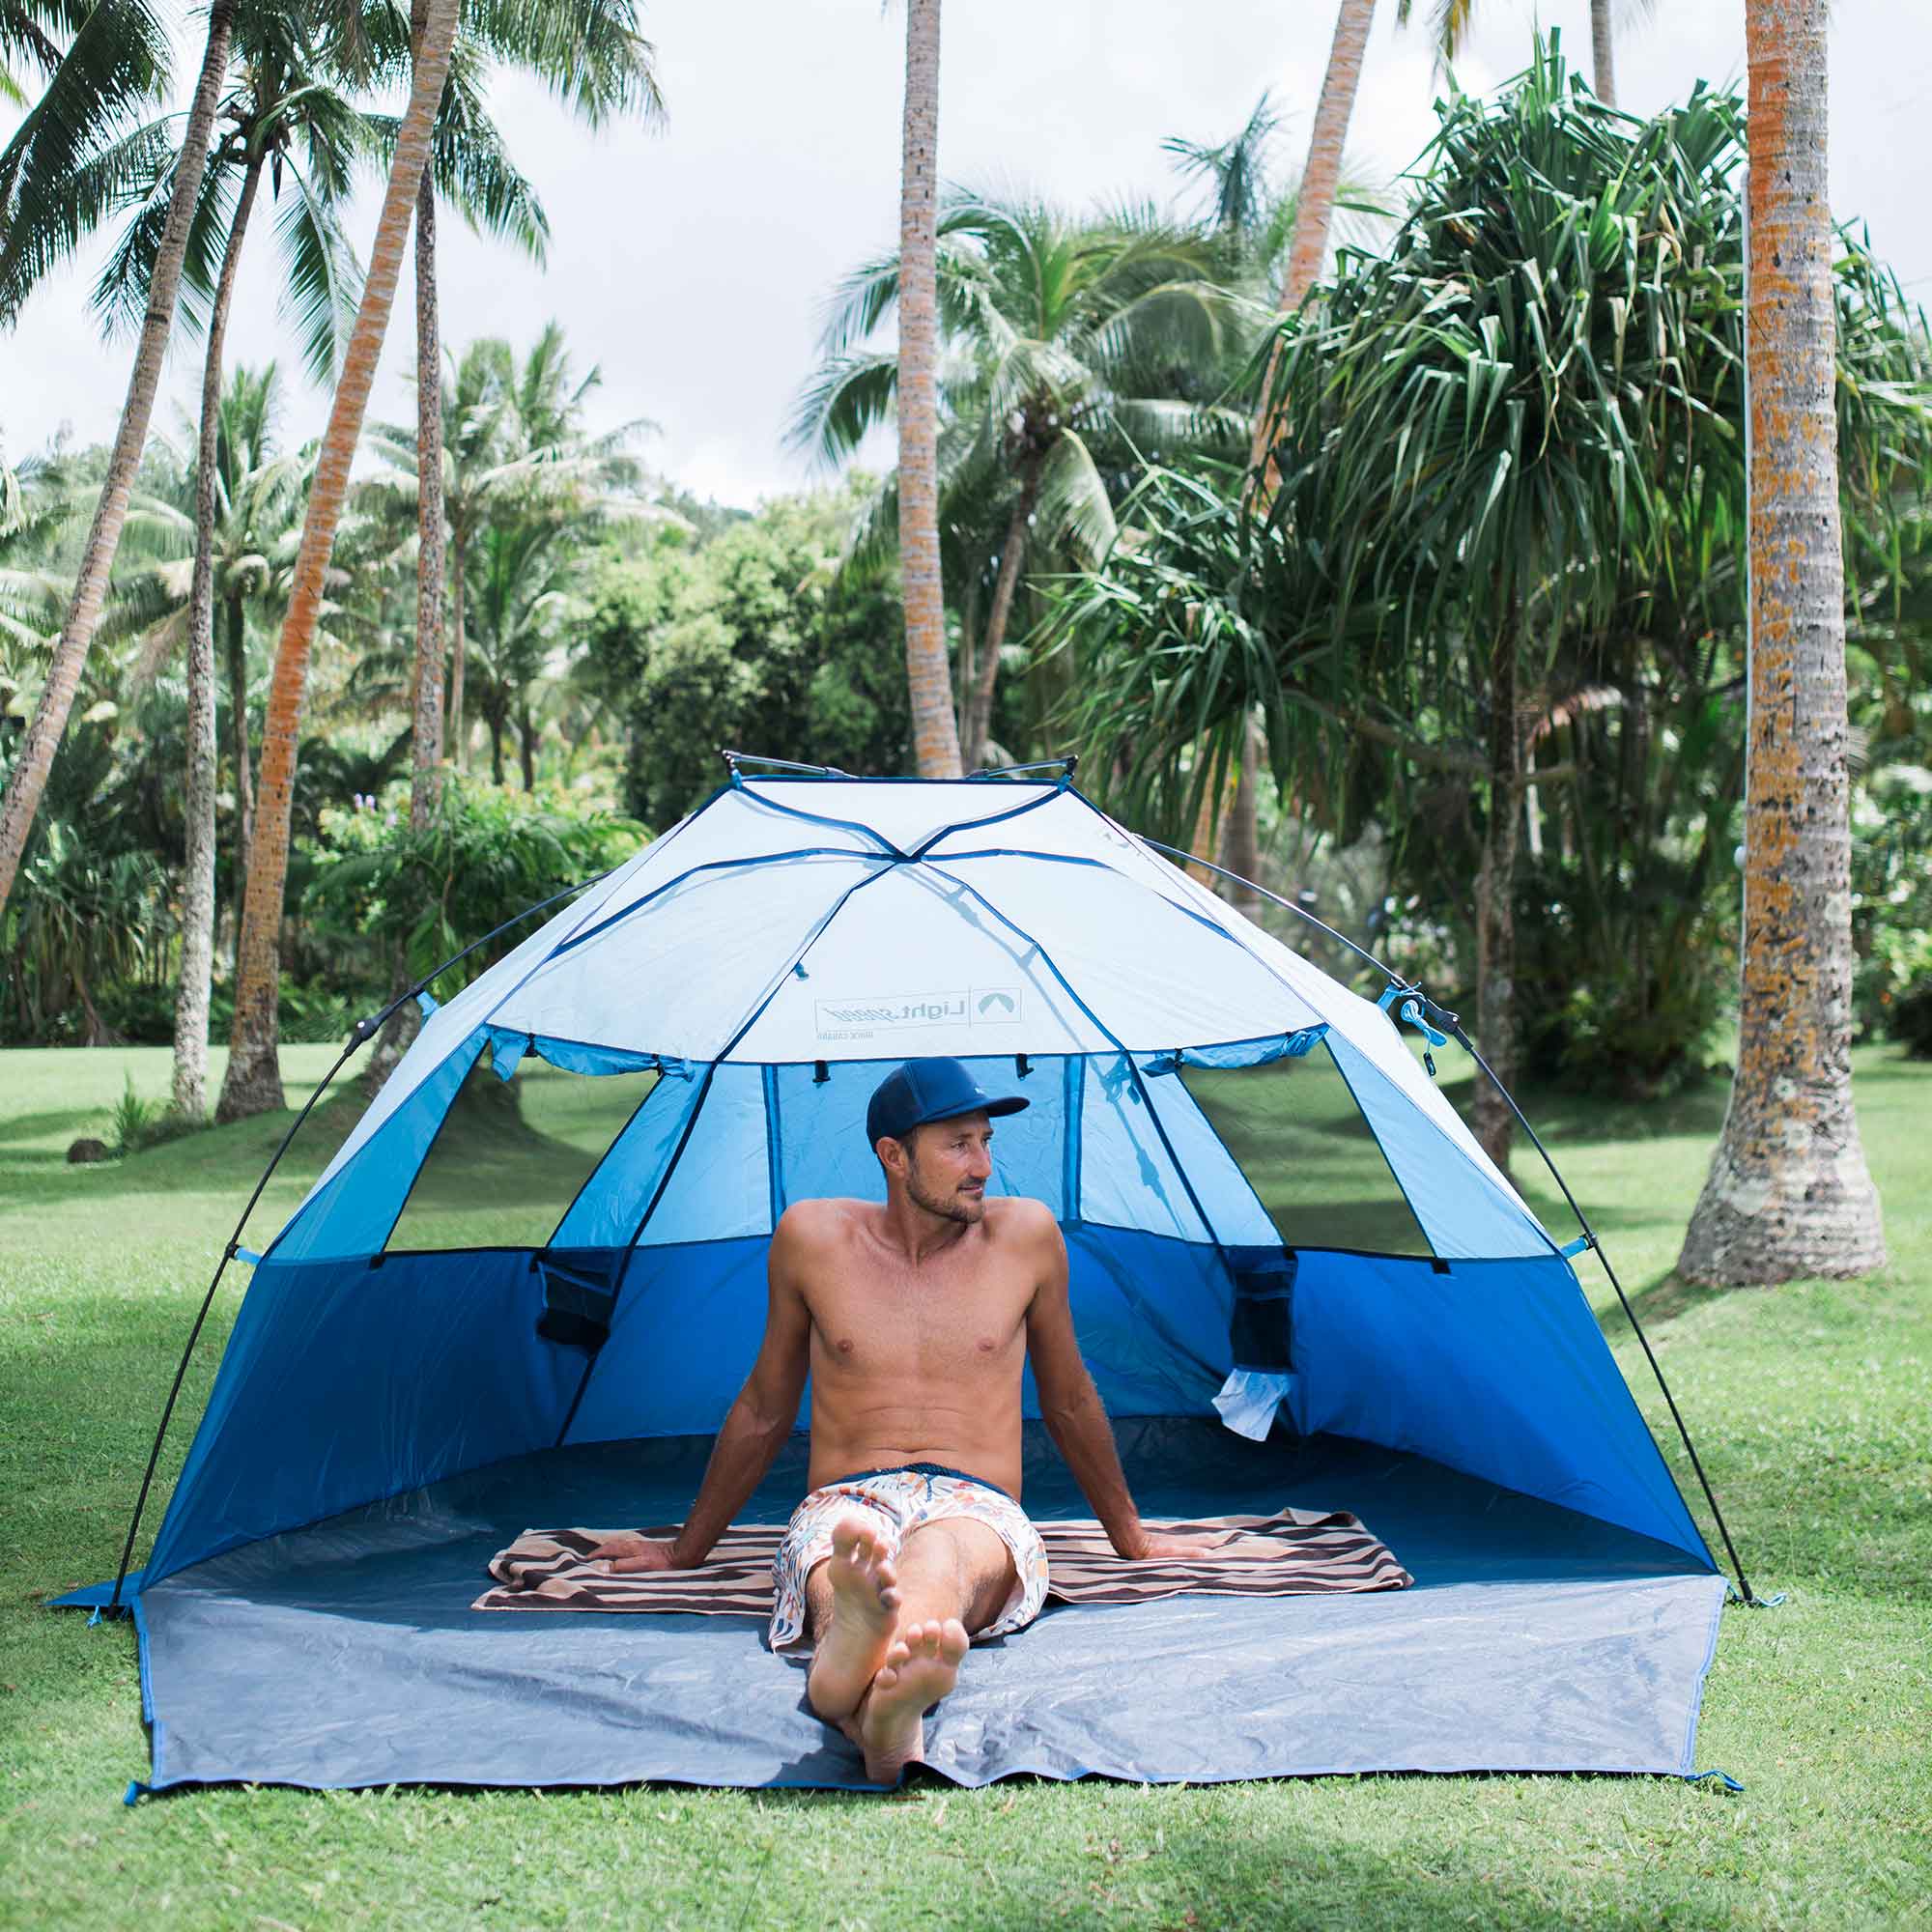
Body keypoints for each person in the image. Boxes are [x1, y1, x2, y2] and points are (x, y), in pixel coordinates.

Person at [589, 1055, 1211, 1782]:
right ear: (893, 1156)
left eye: (986, 1142)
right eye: (958, 1145)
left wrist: (1131, 1539)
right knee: (837, 1563)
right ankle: (885, 1710)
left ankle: (842, 1683)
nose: (982, 1165)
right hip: (847, 1497)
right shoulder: (812, 1241)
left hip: (976, 1503)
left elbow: (1071, 1400)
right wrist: (684, 1550)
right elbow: (764, 1406)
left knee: (938, 1560)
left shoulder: (1027, 1238)